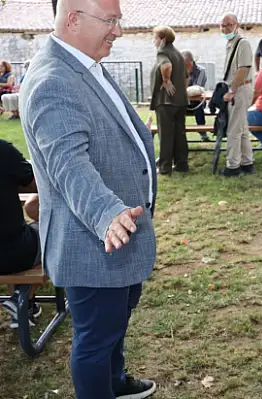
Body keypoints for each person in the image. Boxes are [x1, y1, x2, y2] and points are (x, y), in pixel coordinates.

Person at [20, 0, 158, 397]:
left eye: (119, 19)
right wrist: (106, 213)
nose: (117, 30)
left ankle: (116, 383)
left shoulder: (83, 62)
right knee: (95, 342)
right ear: (74, 19)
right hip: (93, 243)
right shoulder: (53, 80)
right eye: (110, 20)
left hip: (119, 238)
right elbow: (69, 166)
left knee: (113, 325)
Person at [0, 139, 42, 329]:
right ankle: (22, 300)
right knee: (51, 231)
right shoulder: (4, 151)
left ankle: (22, 303)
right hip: (11, 254)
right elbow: (37, 182)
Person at [219, 12, 255, 177]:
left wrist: (231, 90)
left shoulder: (242, 44)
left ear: (237, 25)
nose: (225, 28)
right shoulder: (231, 44)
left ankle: (233, 166)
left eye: (229, 25)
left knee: (233, 130)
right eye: (223, 25)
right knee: (242, 128)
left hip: (240, 89)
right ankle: (247, 162)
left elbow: (243, 69)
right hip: (237, 89)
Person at [150, 25, 189, 176]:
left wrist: (166, 81)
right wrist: (181, 90)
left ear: (163, 40)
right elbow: (186, 77)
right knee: (180, 133)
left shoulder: (163, 52)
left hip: (166, 102)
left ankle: (165, 167)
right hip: (180, 101)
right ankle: (182, 164)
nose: (153, 41)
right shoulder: (178, 53)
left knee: (166, 135)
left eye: (155, 38)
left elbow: (166, 65)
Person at [182, 50, 209, 141]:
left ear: (192, 61)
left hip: (197, 101)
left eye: (186, 64)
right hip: (184, 101)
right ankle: (180, 134)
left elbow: (197, 89)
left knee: (199, 106)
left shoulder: (201, 71)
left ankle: (202, 132)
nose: (185, 67)